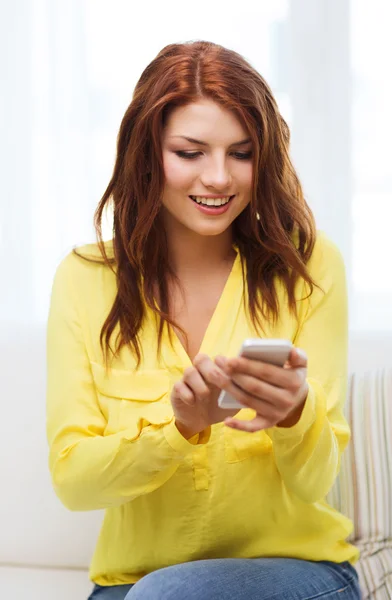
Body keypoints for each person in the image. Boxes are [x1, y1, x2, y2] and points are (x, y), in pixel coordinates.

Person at [46, 41, 361, 600]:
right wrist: (179, 430)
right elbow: (74, 481)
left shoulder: (309, 265)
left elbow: (319, 481)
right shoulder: (84, 277)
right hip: (132, 584)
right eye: (190, 152)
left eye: (241, 153)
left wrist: (294, 415)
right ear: (146, 153)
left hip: (297, 572)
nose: (219, 177)